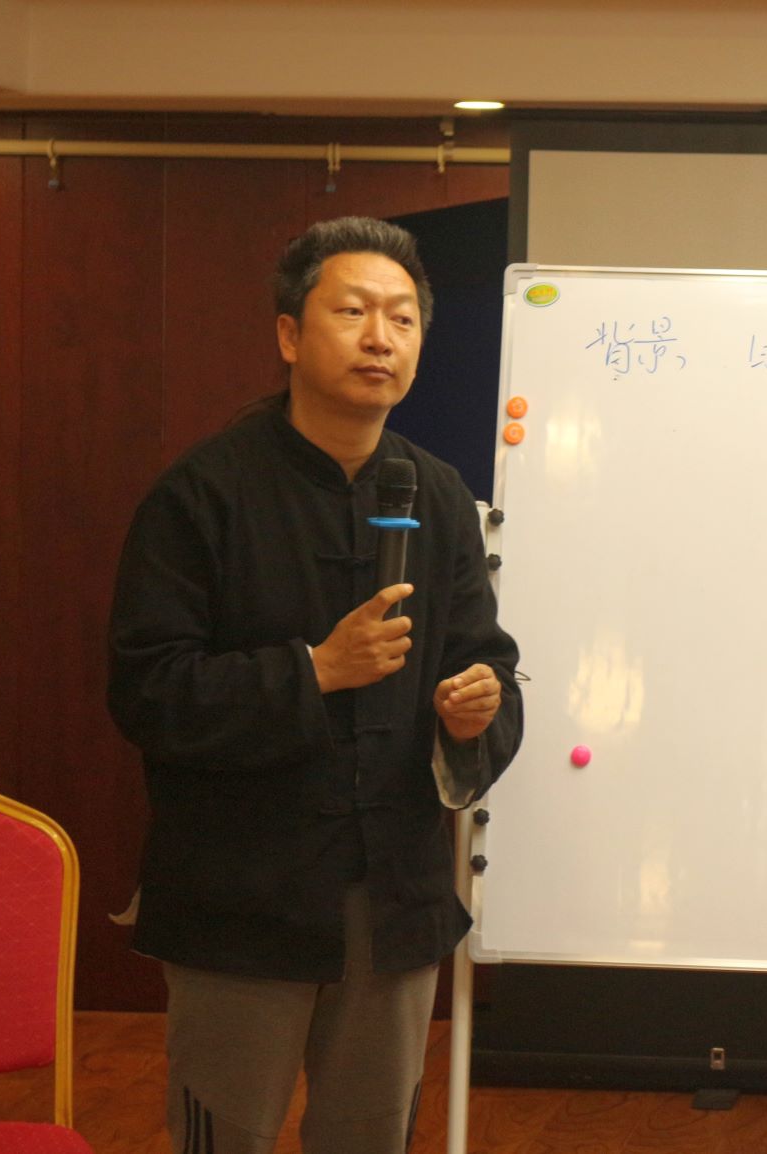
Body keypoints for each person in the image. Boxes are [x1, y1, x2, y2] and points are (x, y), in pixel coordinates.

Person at [108, 216, 523, 1154]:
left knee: (370, 1135)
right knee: (226, 1135)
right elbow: (147, 690)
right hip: (241, 898)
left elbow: (488, 659)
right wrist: (315, 671)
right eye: (353, 312)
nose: (381, 338)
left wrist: (475, 710)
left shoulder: (440, 495)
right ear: (291, 335)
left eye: (403, 319)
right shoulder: (202, 494)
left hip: (394, 896)